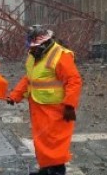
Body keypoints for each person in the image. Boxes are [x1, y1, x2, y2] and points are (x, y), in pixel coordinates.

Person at [7, 25, 83, 175]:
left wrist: (69, 106)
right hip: (39, 107)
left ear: (44, 44)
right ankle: (46, 169)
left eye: (34, 47)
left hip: (56, 109)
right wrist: (15, 95)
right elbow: (29, 78)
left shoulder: (60, 55)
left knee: (55, 142)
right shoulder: (34, 55)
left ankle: (57, 171)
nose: (32, 50)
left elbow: (74, 81)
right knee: (43, 141)